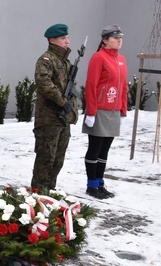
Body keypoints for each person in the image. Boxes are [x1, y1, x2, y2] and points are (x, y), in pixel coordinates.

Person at [30, 23, 79, 192]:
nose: (67, 41)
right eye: (63, 38)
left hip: (63, 118)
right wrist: (62, 102)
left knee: (59, 158)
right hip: (49, 118)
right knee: (46, 158)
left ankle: (50, 190)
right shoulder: (46, 60)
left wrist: (71, 107)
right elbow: (45, 84)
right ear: (52, 40)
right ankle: (38, 193)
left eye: (67, 38)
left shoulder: (64, 61)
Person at [82, 24, 128, 199]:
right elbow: (91, 85)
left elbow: (123, 87)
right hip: (99, 111)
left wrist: (123, 109)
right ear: (105, 40)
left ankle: (100, 182)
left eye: (120, 37)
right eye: (115, 38)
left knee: (105, 151)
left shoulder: (121, 60)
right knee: (95, 149)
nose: (119, 40)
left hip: (114, 111)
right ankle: (91, 185)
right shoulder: (98, 58)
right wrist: (91, 112)